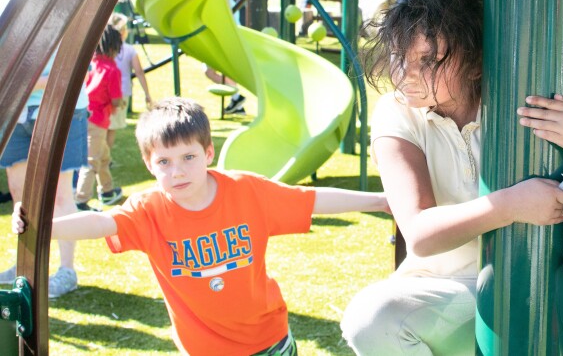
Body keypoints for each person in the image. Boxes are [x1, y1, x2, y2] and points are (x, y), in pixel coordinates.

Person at [341, 0, 563, 355]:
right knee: (371, 318)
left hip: (543, 281)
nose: (406, 75)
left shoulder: (520, 101)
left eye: (427, 60)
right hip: (448, 289)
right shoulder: (396, 113)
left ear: (475, 63)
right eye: (400, 57)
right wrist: (509, 206)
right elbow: (420, 233)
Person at [12, 97, 388, 355]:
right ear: (148, 164)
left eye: (189, 157)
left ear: (208, 153)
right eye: (164, 162)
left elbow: (311, 201)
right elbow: (100, 221)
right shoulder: (148, 210)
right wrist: (45, 227)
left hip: (269, 341)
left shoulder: (245, 190)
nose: (177, 172)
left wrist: (379, 201)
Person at [0, 53, 89, 298]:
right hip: (14, 109)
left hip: (61, 108)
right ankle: (26, 266)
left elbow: (76, 70)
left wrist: (20, 82)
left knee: (59, 196)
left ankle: (66, 270)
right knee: (19, 194)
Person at [75, 24, 125, 209]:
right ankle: (80, 201)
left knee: (103, 157)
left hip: (85, 117)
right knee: (92, 161)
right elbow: (116, 99)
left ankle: (107, 191)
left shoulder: (92, 64)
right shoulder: (112, 70)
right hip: (99, 120)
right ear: (115, 47)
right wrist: (121, 104)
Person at [108, 13, 153, 147]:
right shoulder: (129, 50)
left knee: (103, 126)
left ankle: (101, 157)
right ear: (123, 32)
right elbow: (139, 72)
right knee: (112, 128)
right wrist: (147, 93)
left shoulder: (104, 48)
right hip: (122, 92)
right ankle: (105, 158)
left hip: (105, 91)